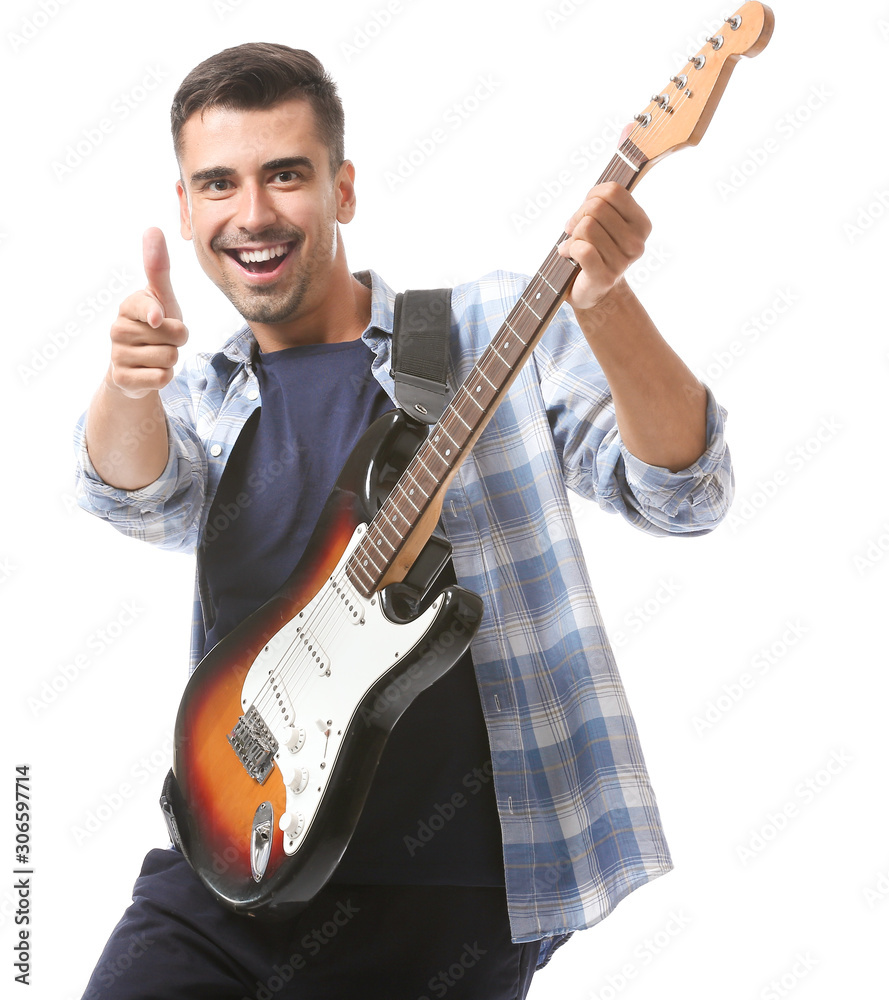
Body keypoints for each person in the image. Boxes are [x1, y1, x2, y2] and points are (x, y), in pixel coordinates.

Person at [74, 42, 733, 1000]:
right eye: (218, 184)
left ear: (341, 190)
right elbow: (135, 496)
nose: (251, 213)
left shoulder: (492, 328)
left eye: (285, 175)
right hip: (227, 858)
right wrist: (127, 382)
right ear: (185, 209)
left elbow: (684, 495)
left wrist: (604, 301)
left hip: (448, 899)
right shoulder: (206, 390)